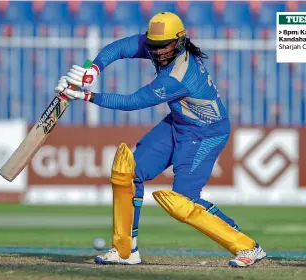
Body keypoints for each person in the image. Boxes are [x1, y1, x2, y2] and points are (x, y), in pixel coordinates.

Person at [55, 12, 266, 268]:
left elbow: (133, 102)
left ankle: (247, 246)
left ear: (179, 41)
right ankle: (124, 251)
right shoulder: (160, 45)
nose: (156, 52)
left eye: (162, 46)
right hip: (178, 123)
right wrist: (93, 69)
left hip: (206, 133)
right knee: (128, 172)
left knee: (183, 201)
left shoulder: (178, 76)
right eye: (152, 46)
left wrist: (86, 96)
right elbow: (119, 48)